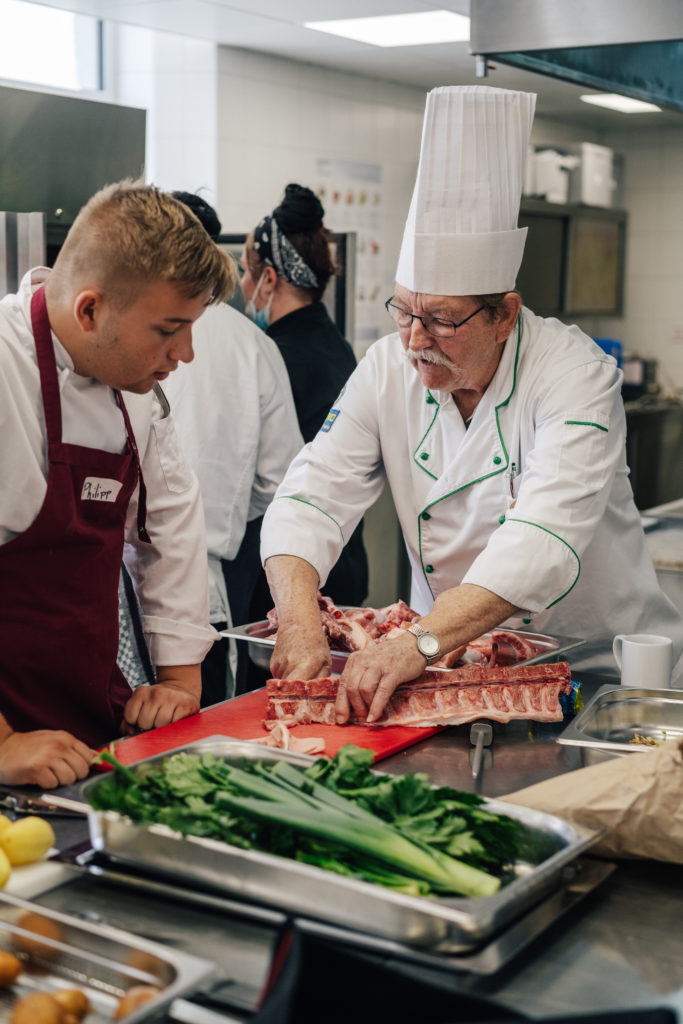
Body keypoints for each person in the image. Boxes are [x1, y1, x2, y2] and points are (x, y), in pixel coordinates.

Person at [260, 85, 683, 725]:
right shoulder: (387, 366)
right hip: (450, 673)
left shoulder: (574, 375)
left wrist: (418, 642)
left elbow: (542, 538)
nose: (415, 340)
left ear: (504, 315)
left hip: (599, 676)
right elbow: (312, 495)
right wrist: (298, 620)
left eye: (442, 320)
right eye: (403, 311)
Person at [0, 180, 236, 788]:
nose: (186, 353)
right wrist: (3, 745)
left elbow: (172, 523)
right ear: (89, 311)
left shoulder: (133, 385)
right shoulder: (5, 369)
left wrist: (179, 680)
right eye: (169, 328)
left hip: (87, 714)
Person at [163, 191, 303, 704]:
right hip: (205, 584)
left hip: (123, 592)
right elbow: (280, 478)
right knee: (194, 727)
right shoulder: (252, 343)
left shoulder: (122, 329)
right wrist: (222, 516)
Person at [241, 183, 369, 610]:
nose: (242, 284)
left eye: (245, 271)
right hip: (343, 563)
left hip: (295, 572)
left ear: (269, 279)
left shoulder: (272, 357)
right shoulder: (337, 345)